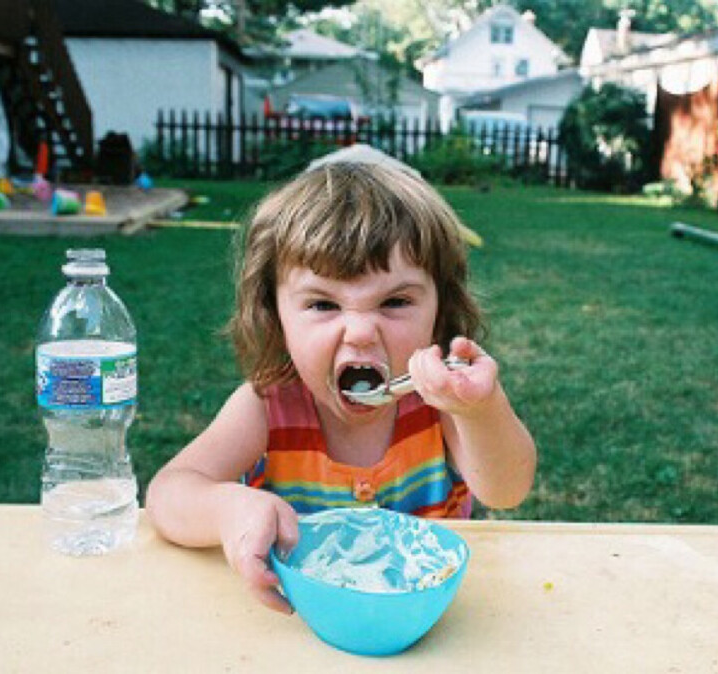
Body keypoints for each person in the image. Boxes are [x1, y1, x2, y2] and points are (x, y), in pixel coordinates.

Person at [146, 161, 537, 613]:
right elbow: (167, 493)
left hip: (423, 630)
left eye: (394, 301)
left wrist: (480, 410)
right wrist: (226, 509)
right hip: (298, 628)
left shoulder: (440, 406)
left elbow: (506, 490)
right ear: (275, 316)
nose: (360, 332)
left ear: (440, 310)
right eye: (322, 304)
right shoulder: (267, 408)